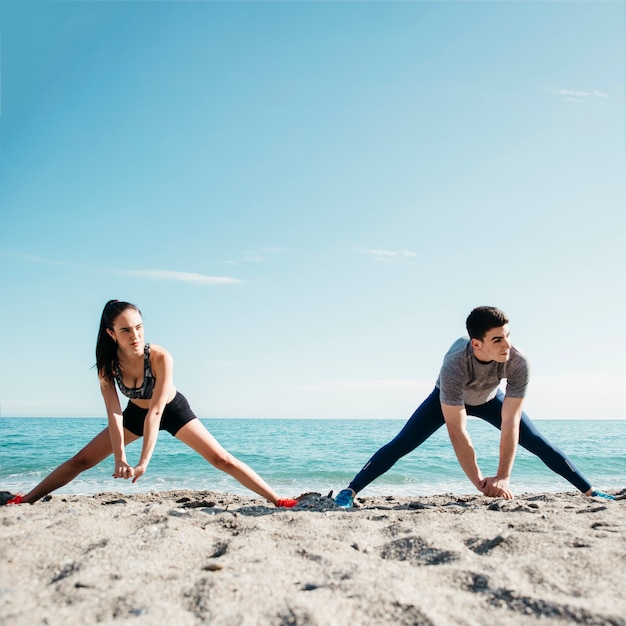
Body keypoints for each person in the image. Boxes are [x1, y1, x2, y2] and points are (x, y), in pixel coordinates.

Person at [1, 300, 298, 508]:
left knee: (222, 460)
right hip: (135, 414)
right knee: (81, 460)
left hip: (171, 410)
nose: (135, 336)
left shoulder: (159, 357)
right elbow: (114, 414)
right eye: (126, 330)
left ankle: (278, 499)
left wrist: (143, 462)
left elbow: (156, 412)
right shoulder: (107, 365)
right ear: (111, 333)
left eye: (139, 328)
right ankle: (25, 500)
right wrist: (119, 457)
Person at [334, 306, 616, 508]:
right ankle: (350, 491)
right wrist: (479, 482)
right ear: (477, 344)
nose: (507, 344)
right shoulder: (455, 364)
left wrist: (503, 476)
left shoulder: (518, 361)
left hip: (491, 398)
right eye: (497, 339)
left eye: (508, 335)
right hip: (446, 397)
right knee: (403, 442)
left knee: (538, 442)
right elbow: (458, 432)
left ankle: (591, 491)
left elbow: (510, 423)